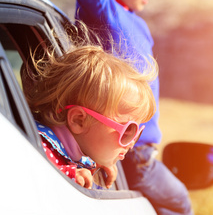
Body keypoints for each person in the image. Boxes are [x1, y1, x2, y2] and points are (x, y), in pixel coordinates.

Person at [70, 0, 193, 214]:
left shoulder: (139, 25)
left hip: (141, 151)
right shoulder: (104, 11)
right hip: (132, 153)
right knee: (180, 201)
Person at [23, 28, 157, 190]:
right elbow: (26, 178)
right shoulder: (37, 146)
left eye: (138, 133)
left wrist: (97, 163)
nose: (131, 144)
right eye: (128, 130)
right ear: (79, 120)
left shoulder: (81, 147)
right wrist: (70, 176)